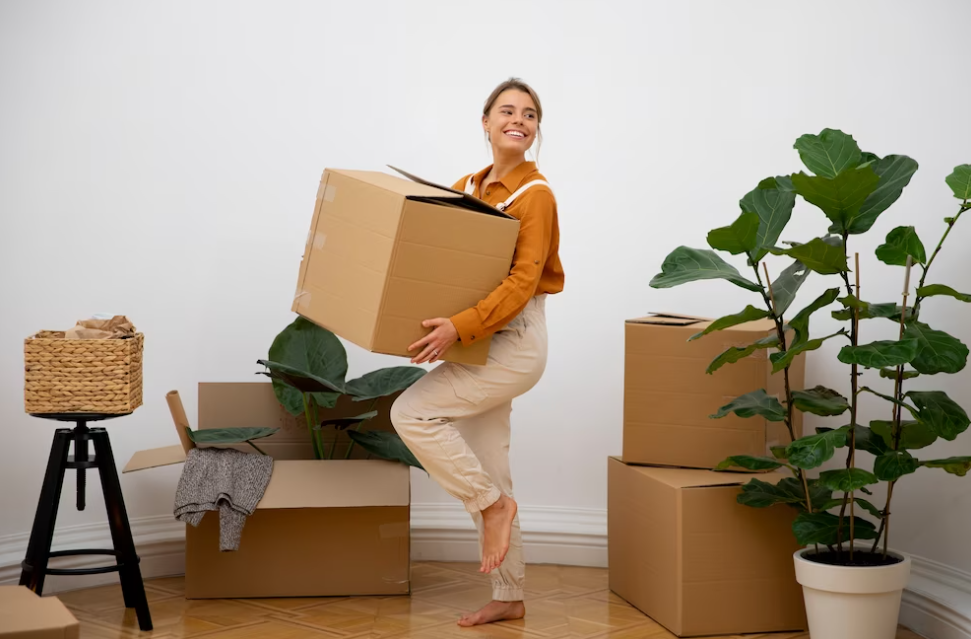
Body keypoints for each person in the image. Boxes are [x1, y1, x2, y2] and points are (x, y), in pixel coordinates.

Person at [390, 77, 564, 627]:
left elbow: (520, 283)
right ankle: (510, 594)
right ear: (485, 122)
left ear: (536, 130)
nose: (519, 119)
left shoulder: (537, 196)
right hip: (477, 337)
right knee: (491, 465)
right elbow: (441, 256)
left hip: (512, 340)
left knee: (410, 413)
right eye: (508, 110)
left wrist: (457, 329)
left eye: (530, 114)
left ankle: (489, 508)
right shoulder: (466, 186)